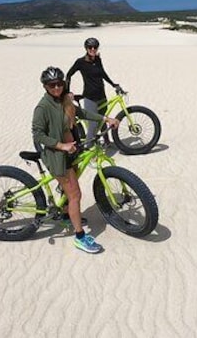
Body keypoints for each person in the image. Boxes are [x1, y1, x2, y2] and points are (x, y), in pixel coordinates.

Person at [32, 66, 118, 254]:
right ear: (45, 87)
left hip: (72, 151)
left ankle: (64, 214)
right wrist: (61, 145)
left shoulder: (65, 100)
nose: (57, 87)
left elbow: (83, 114)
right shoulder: (43, 107)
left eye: (59, 83)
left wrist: (105, 118)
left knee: (71, 186)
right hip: (57, 155)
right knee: (75, 195)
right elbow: (37, 135)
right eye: (52, 85)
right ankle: (80, 237)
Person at [65, 37, 119, 144]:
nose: (93, 49)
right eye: (90, 47)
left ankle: (107, 142)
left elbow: (103, 74)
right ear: (86, 48)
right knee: (93, 124)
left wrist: (113, 84)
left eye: (95, 47)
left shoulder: (98, 60)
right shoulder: (80, 62)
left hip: (101, 96)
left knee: (103, 120)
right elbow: (68, 75)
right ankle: (89, 147)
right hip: (90, 98)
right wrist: (67, 91)